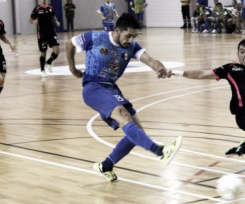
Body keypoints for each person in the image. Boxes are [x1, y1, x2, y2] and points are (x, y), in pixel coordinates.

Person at [65, 13, 183, 181]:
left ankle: (106, 166)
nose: (130, 40)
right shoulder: (96, 37)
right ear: (117, 30)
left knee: (136, 133)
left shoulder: (132, 47)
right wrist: (73, 69)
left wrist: (160, 67)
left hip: (112, 89)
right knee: (124, 116)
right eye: (128, 36)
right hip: (93, 87)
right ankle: (160, 152)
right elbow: (69, 43)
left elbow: (150, 60)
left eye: (134, 36)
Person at [29, 0, 61, 77]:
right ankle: (42, 70)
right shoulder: (37, 9)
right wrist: (33, 21)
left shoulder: (50, 7)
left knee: (57, 51)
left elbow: (53, 16)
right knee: (43, 53)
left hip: (51, 32)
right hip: (42, 34)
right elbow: (30, 19)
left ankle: (49, 61)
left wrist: (56, 21)